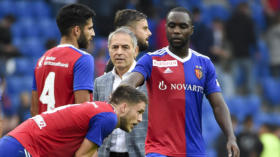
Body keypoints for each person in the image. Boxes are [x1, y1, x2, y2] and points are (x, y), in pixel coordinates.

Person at [121, 7, 240, 157]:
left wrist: (231, 137)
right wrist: (125, 90)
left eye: (182, 26)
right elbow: (132, 80)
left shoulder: (204, 63)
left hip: (194, 151)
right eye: (172, 26)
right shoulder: (152, 60)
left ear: (191, 30)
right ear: (166, 29)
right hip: (159, 150)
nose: (176, 30)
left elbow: (218, 104)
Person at [0, 85, 148, 157]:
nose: (140, 119)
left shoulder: (102, 111)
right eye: (139, 112)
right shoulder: (109, 118)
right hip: (22, 148)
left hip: (15, 143)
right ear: (123, 107)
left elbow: (89, 153)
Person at [31, 3, 95, 116]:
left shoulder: (42, 59)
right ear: (77, 30)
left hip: (43, 132)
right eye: (89, 28)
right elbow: (83, 111)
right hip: (67, 133)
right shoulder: (83, 59)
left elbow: (34, 111)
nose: (93, 33)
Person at [94, 27, 148, 157]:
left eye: (125, 47)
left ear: (135, 51)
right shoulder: (99, 82)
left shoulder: (149, 81)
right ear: (109, 50)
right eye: (115, 47)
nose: (119, 52)